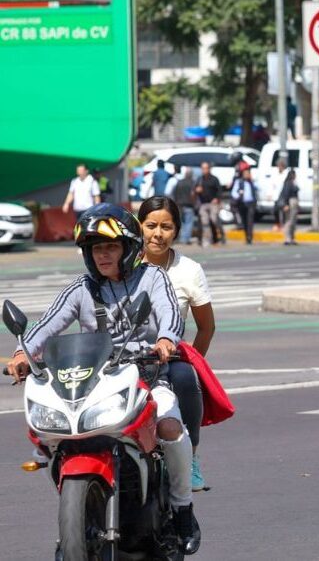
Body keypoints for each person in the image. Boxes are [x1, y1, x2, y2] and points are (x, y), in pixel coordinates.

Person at [5, 204, 201, 554]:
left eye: (110, 246)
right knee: (53, 439)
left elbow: (170, 313)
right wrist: (23, 353)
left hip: (147, 375)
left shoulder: (153, 277)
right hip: (93, 381)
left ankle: (183, 507)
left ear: (129, 249)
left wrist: (166, 339)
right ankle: (81, 508)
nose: (103, 255)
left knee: (170, 427)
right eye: (96, 248)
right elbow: (48, 324)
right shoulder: (81, 288)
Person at [138, 196, 217, 493]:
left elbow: (207, 327)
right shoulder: (123, 263)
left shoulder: (189, 270)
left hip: (169, 359)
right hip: (125, 357)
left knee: (186, 379)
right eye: (151, 225)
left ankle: (191, 457)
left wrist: (191, 361)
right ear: (139, 227)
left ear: (176, 231)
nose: (158, 233)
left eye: (166, 227)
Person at [194, 162, 223, 247]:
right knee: (205, 223)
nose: (204, 170)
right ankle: (207, 240)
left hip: (212, 203)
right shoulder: (199, 179)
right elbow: (194, 190)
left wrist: (216, 198)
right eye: (202, 168)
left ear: (209, 169)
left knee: (214, 220)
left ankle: (219, 237)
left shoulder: (214, 179)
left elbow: (219, 190)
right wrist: (197, 190)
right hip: (203, 204)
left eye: (206, 168)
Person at [168, 167, 197, 245]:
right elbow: (194, 195)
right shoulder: (193, 183)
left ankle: (182, 238)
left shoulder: (179, 182)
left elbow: (174, 193)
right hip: (189, 205)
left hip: (180, 205)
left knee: (183, 222)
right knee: (189, 222)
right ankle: (186, 239)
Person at [230, 168, 258, 244]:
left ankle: (250, 237)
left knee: (250, 221)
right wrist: (239, 195)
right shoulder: (239, 182)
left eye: (248, 174)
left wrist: (252, 181)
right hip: (242, 203)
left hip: (251, 203)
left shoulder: (251, 182)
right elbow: (234, 193)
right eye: (245, 174)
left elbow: (258, 188)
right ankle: (247, 236)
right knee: (245, 221)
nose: (247, 175)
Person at [277, 169, 300, 245]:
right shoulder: (288, 183)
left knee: (293, 221)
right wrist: (286, 204)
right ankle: (288, 238)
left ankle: (292, 238)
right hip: (290, 203)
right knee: (289, 221)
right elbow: (286, 194)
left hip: (294, 202)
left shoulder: (293, 183)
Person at [269, 158, 289, 232]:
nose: (279, 167)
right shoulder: (275, 173)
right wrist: (270, 193)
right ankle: (277, 224)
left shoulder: (287, 174)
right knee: (276, 211)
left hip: (284, 195)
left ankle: (283, 225)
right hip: (277, 195)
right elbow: (272, 184)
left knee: (284, 212)